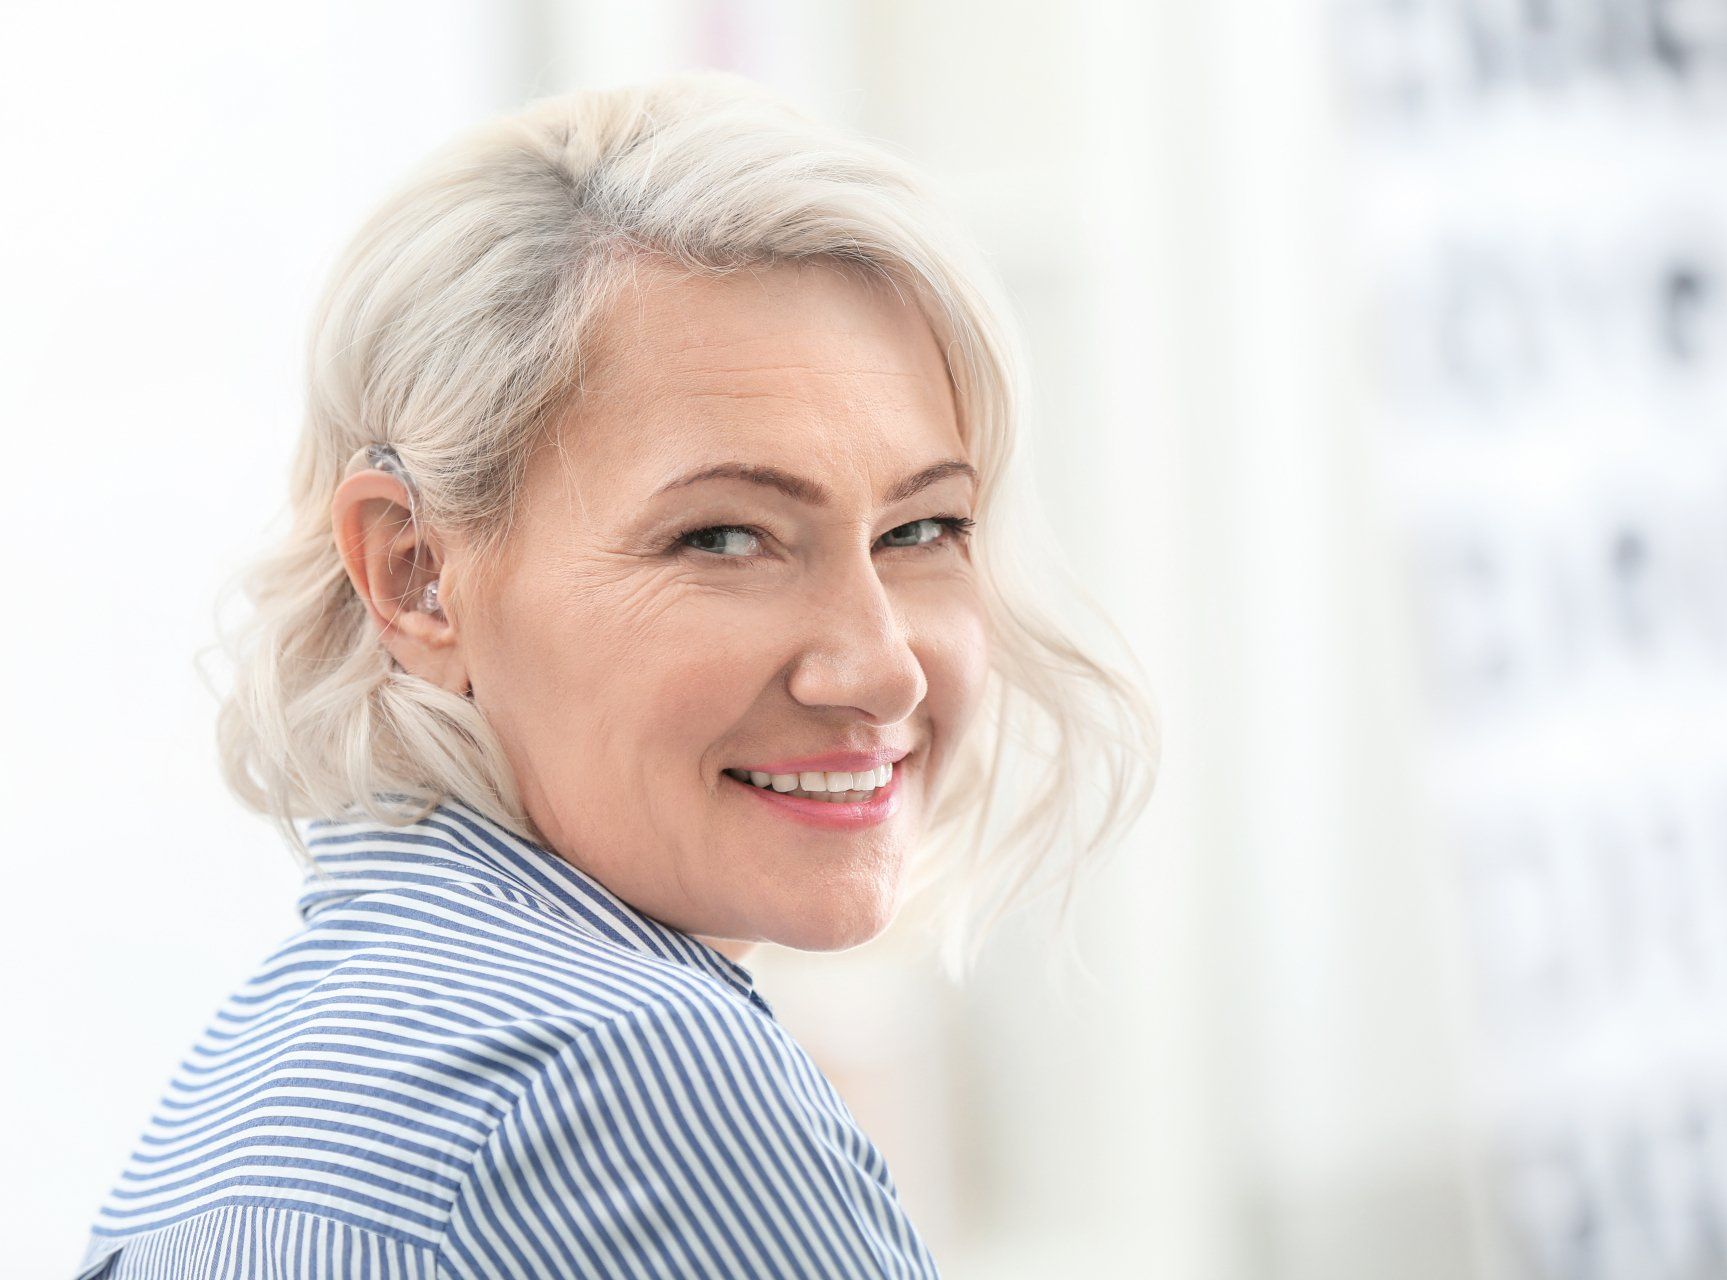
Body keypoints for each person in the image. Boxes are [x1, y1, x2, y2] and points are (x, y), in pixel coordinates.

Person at [73, 70, 1157, 1279]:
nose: (882, 666)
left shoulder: (246, 1085)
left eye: (923, 528)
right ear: (417, 573)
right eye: (725, 536)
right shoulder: (640, 1078)